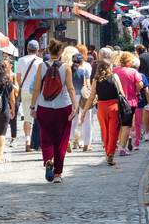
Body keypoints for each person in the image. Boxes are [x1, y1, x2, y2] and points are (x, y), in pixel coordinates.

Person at [30, 38, 77, 182]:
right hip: (63, 106)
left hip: (45, 106)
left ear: (49, 51)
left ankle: (48, 159)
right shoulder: (66, 67)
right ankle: (57, 174)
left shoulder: (41, 67)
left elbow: (37, 89)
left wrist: (33, 107)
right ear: (61, 52)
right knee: (62, 140)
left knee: (46, 136)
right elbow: (70, 88)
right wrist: (74, 106)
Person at [80, 60, 123, 165]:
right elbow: (121, 93)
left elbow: (91, 97)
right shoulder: (114, 77)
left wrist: (84, 111)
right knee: (113, 131)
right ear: (109, 67)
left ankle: (108, 152)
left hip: (101, 107)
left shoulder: (96, 80)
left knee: (105, 131)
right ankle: (110, 153)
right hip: (114, 106)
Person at [113, 51, 145, 155]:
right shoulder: (133, 72)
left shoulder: (114, 70)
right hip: (129, 101)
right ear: (129, 61)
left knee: (118, 123)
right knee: (126, 125)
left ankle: (118, 143)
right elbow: (140, 84)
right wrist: (136, 89)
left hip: (115, 100)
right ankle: (122, 148)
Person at [14, 40, 41, 151]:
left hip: (25, 90)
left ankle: (28, 139)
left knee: (27, 116)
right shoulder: (41, 61)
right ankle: (38, 141)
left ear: (27, 49)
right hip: (37, 91)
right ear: (37, 50)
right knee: (38, 116)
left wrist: (21, 86)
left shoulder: (21, 60)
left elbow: (17, 77)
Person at [69, 52, 93, 151]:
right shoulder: (84, 71)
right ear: (81, 61)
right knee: (86, 120)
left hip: (72, 96)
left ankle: (70, 141)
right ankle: (86, 144)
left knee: (72, 120)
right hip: (83, 96)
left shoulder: (69, 71)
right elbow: (88, 85)